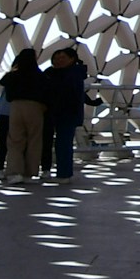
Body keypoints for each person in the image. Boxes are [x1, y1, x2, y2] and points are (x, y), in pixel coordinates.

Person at [42, 47, 99, 181]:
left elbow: (70, 94)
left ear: (72, 59)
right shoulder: (67, 73)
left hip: (65, 113)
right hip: (60, 113)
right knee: (62, 143)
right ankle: (61, 172)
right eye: (56, 58)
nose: (58, 61)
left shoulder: (69, 74)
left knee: (63, 144)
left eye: (62, 58)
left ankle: (63, 173)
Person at [1, 48, 48, 183]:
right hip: (36, 107)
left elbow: (3, 81)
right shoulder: (40, 75)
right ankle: (30, 172)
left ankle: (15, 172)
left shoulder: (14, 75)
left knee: (15, 141)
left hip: (16, 106)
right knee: (34, 140)